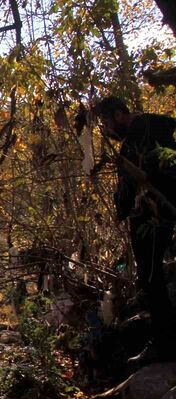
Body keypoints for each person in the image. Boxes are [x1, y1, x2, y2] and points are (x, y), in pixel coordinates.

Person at [94, 96, 176, 365]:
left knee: (152, 278)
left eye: (105, 122)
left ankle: (164, 344)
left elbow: (148, 178)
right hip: (153, 217)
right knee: (150, 279)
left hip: (156, 218)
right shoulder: (146, 134)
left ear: (119, 115)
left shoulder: (147, 134)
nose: (104, 130)